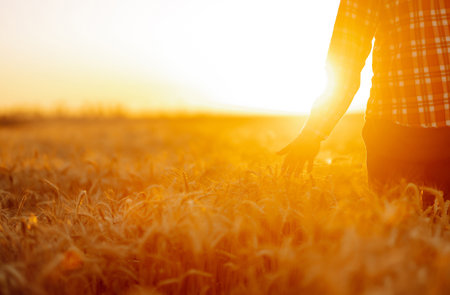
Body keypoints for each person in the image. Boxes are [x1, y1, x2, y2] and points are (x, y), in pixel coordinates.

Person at [279, 0, 450, 199]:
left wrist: (313, 132)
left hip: (393, 138)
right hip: (398, 139)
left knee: (397, 227)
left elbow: (345, 64)